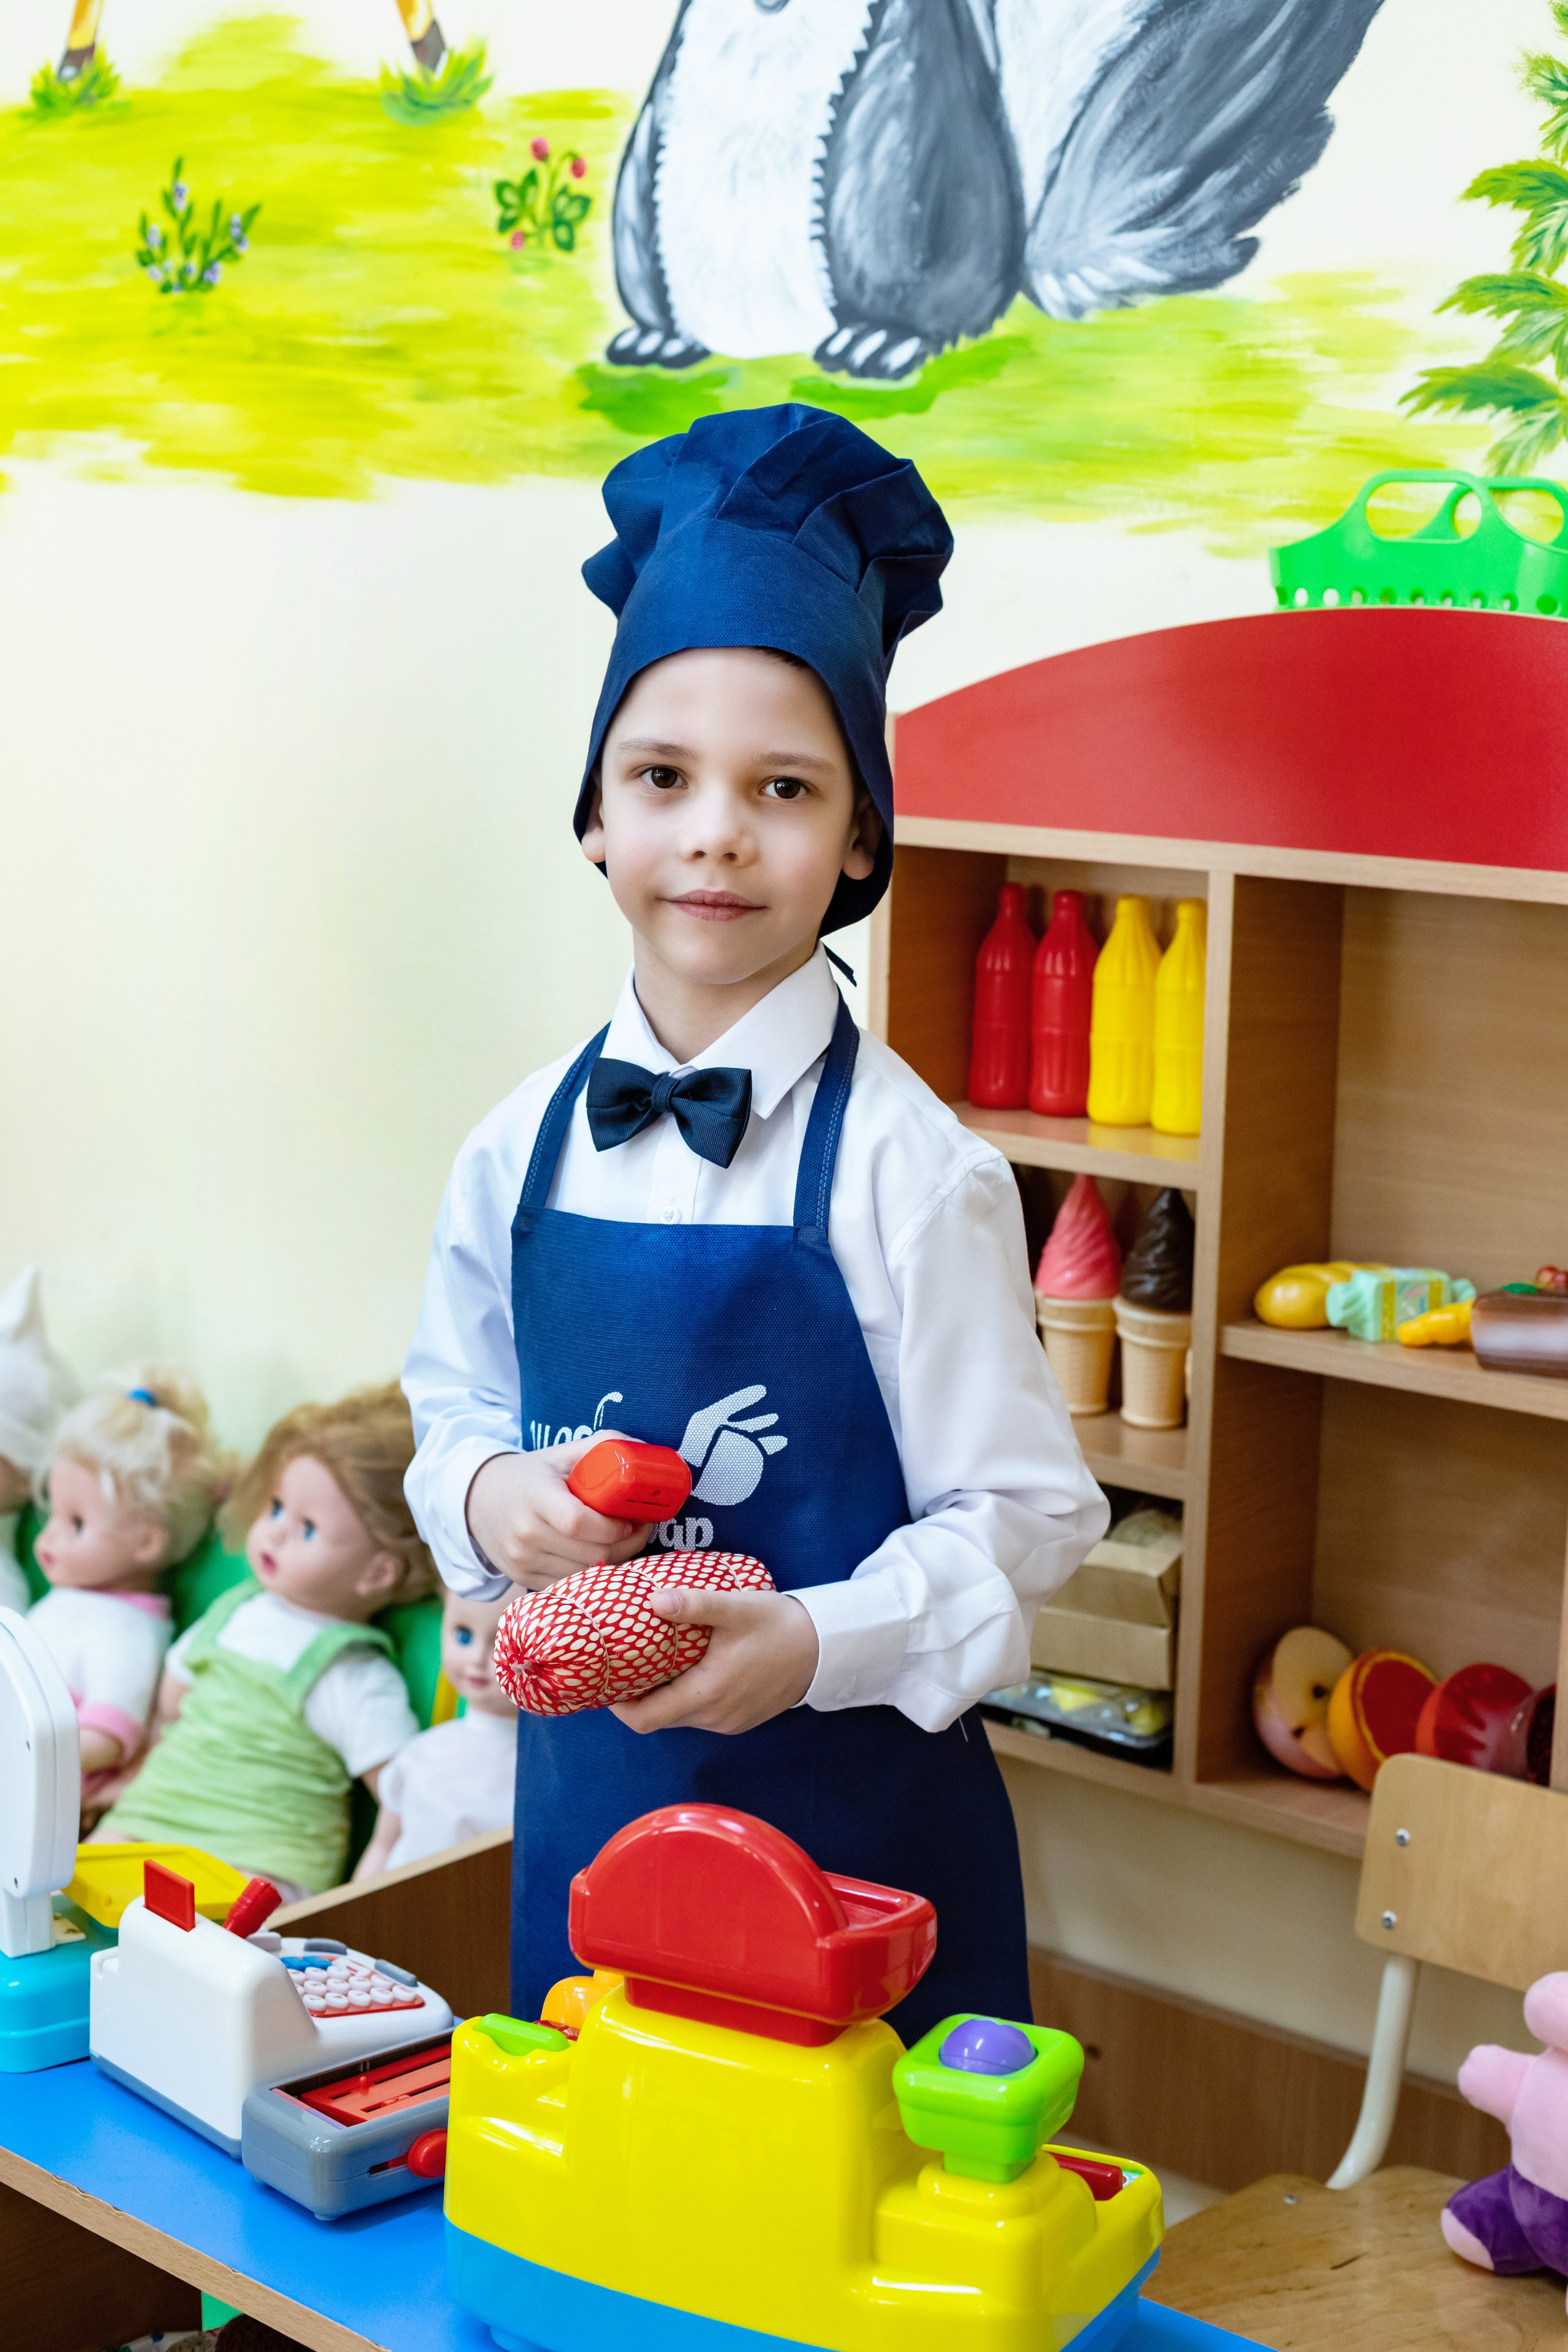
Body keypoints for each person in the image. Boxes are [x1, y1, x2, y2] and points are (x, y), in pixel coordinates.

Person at [404, 404, 1109, 2041]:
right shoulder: (514, 1151)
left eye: (782, 787)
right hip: (592, 1853)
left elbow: (1025, 1522)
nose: (716, 830)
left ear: (859, 836)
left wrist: (810, 1640)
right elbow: (446, 1413)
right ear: (596, 817)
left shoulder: (915, 1175)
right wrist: (498, 1493)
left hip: (865, 1872)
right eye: (663, 778)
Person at [97, 1382, 432, 1900]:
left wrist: (378, 1868)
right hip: (153, 1818)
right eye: (275, 1508)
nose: (273, 1532)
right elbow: (173, 1703)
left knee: (212, 1960)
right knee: (66, 1896)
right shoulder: (234, 1608)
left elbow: (403, 1790)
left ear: (378, 1573)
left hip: (259, 1860)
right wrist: (141, 1777)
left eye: (307, 1527)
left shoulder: (352, 1672)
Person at [31, 1365, 228, 1810]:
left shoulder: (127, 1631)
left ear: (147, 1542)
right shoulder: (79, 1594)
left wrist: (23, 1755)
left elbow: (109, 1734)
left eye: (76, 1523)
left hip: (35, 1792)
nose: (49, 1538)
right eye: (53, 1516)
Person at [353, 1588, 518, 1877]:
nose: (478, 1657)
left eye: (502, 1644)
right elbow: (382, 1847)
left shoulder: (545, 1774)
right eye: (463, 1635)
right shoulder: (420, 1754)